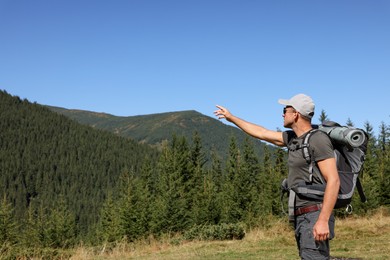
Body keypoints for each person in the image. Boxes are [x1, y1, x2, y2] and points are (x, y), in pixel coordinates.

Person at [214, 93, 340, 260]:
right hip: (301, 216)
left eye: (285, 110)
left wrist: (323, 220)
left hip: (314, 214)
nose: (282, 114)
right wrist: (231, 118)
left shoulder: (318, 140)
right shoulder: (293, 138)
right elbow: (261, 132)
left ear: (295, 114)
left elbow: (334, 180)